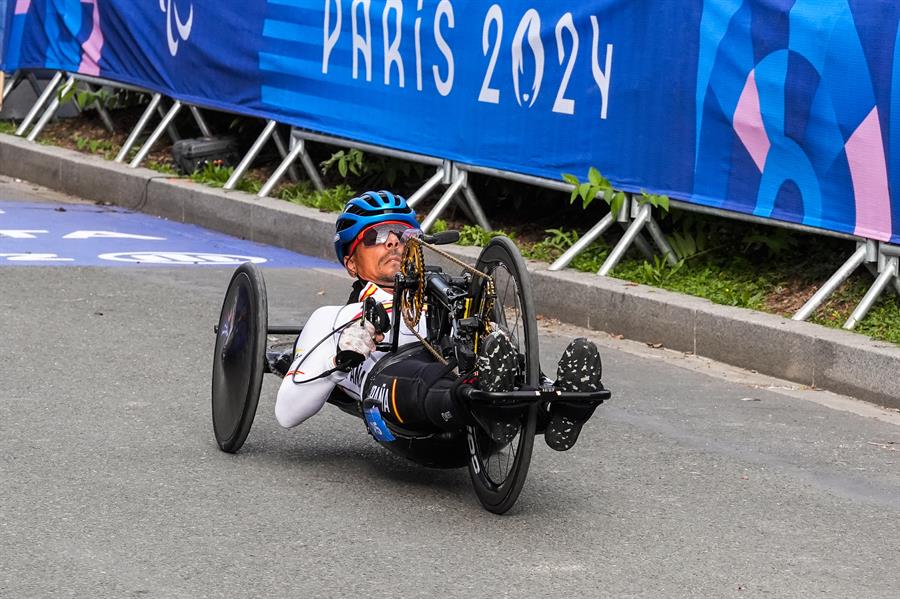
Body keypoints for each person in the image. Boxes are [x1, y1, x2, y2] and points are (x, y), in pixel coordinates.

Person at [274, 190, 604, 451]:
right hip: (403, 414)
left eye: (403, 235)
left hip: (468, 406)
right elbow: (287, 414)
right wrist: (341, 359)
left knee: (494, 352)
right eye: (375, 236)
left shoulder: (446, 295)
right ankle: (487, 405)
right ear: (351, 264)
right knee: (418, 376)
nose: (392, 242)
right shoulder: (333, 319)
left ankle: (563, 406)